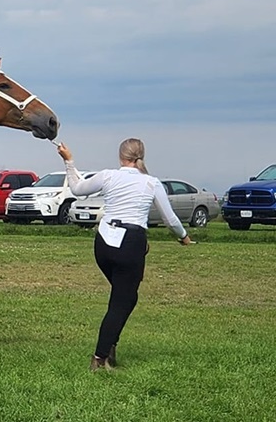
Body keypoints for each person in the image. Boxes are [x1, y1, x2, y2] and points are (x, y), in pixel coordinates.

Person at [58, 138, 192, 371]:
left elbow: (78, 189)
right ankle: (100, 358)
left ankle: (110, 347)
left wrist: (69, 161)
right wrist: (183, 236)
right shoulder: (151, 183)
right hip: (130, 244)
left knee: (125, 297)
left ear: (121, 156)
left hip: (103, 244)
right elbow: (170, 219)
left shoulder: (108, 175)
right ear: (141, 156)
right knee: (122, 300)